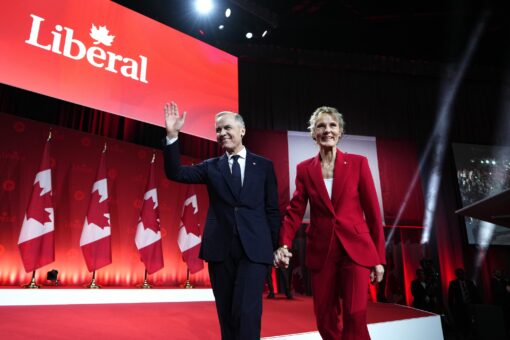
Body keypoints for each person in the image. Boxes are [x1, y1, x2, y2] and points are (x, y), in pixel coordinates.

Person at [163, 102, 280, 340]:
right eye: (218, 130)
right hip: (220, 249)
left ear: (242, 131)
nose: (222, 133)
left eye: (227, 128)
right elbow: (175, 172)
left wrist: (276, 245)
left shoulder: (264, 166)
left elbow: (272, 210)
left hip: (254, 250)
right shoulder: (211, 166)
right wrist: (172, 135)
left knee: (247, 312)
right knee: (226, 313)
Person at [275, 106, 386, 340]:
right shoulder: (305, 169)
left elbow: (373, 214)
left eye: (333, 125)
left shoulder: (358, 163)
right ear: (313, 133)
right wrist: (284, 245)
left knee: (355, 314)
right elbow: (295, 211)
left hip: (356, 250)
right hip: (323, 252)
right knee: (325, 318)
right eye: (321, 126)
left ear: (340, 131)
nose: (328, 130)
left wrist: (379, 259)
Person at [448, 268, 480, 339]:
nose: (461, 275)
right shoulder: (453, 283)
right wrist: (451, 309)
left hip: (470, 305)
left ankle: (472, 336)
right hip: (460, 307)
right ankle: (464, 336)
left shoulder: (470, 282)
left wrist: (477, 305)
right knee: (462, 323)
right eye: (459, 273)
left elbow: (476, 294)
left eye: (462, 273)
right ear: (456, 275)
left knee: (472, 322)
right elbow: (450, 297)